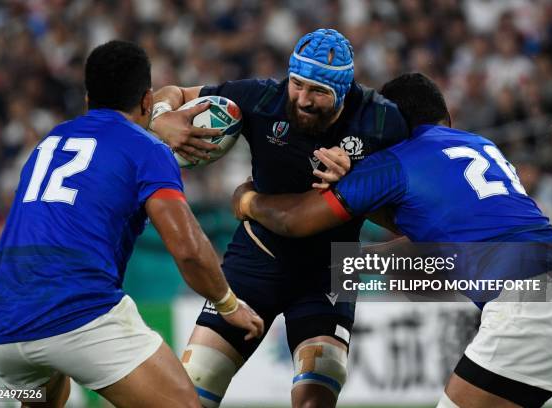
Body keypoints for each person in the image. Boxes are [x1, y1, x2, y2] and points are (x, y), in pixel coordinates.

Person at [231, 72, 552, 408]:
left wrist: (247, 200)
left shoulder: (393, 161)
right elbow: (435, 236)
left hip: (530, 305)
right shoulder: (481, 145)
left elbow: (296, 220)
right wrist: (352, 262)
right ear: (446, 116)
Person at [0, 40, 264, 408]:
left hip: (1, 328)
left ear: (87, 99)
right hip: (78, 312)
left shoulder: (50, 141)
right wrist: (228, 305)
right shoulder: (148, 150)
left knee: (49, 395)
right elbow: (188, 250)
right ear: (147, 101)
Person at [150, 28, 409, 408]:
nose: (303, 99)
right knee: (194, 386)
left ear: (343, 92)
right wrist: (162, 116)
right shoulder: (262, 97)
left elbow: (406, 208)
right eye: (297, 84)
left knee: (316, 396)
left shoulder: (382, 122)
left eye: (318, 92)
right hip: (256, 260)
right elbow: (173, 94)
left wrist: (360, 183)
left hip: (329, 272)